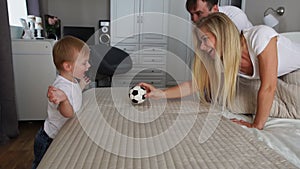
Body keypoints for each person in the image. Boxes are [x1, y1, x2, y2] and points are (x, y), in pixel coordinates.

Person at [141, 12, 300, 130]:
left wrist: (257, 125)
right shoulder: (221, 58)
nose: (202, 47)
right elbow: (195, 85)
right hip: (279, 73)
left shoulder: (259, 36)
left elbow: (268, 87)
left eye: (204, 39)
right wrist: (160, 93)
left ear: (221, 33)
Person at [32, 36, 91, 169]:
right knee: (42, 164)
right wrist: (63, 100)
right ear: (68, 66)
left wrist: (81, 86)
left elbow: (73, 94)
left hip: (60, 135)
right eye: (84, 63)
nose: (88, 66)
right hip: (49, 139)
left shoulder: (71, 80)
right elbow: (68, 113)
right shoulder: (60, 88)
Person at [185, 0, 252, 32]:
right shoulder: (202, 27)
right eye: (191, 14)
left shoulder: (236, 18)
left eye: (199, 13)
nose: (193, 19)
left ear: (215, 9)